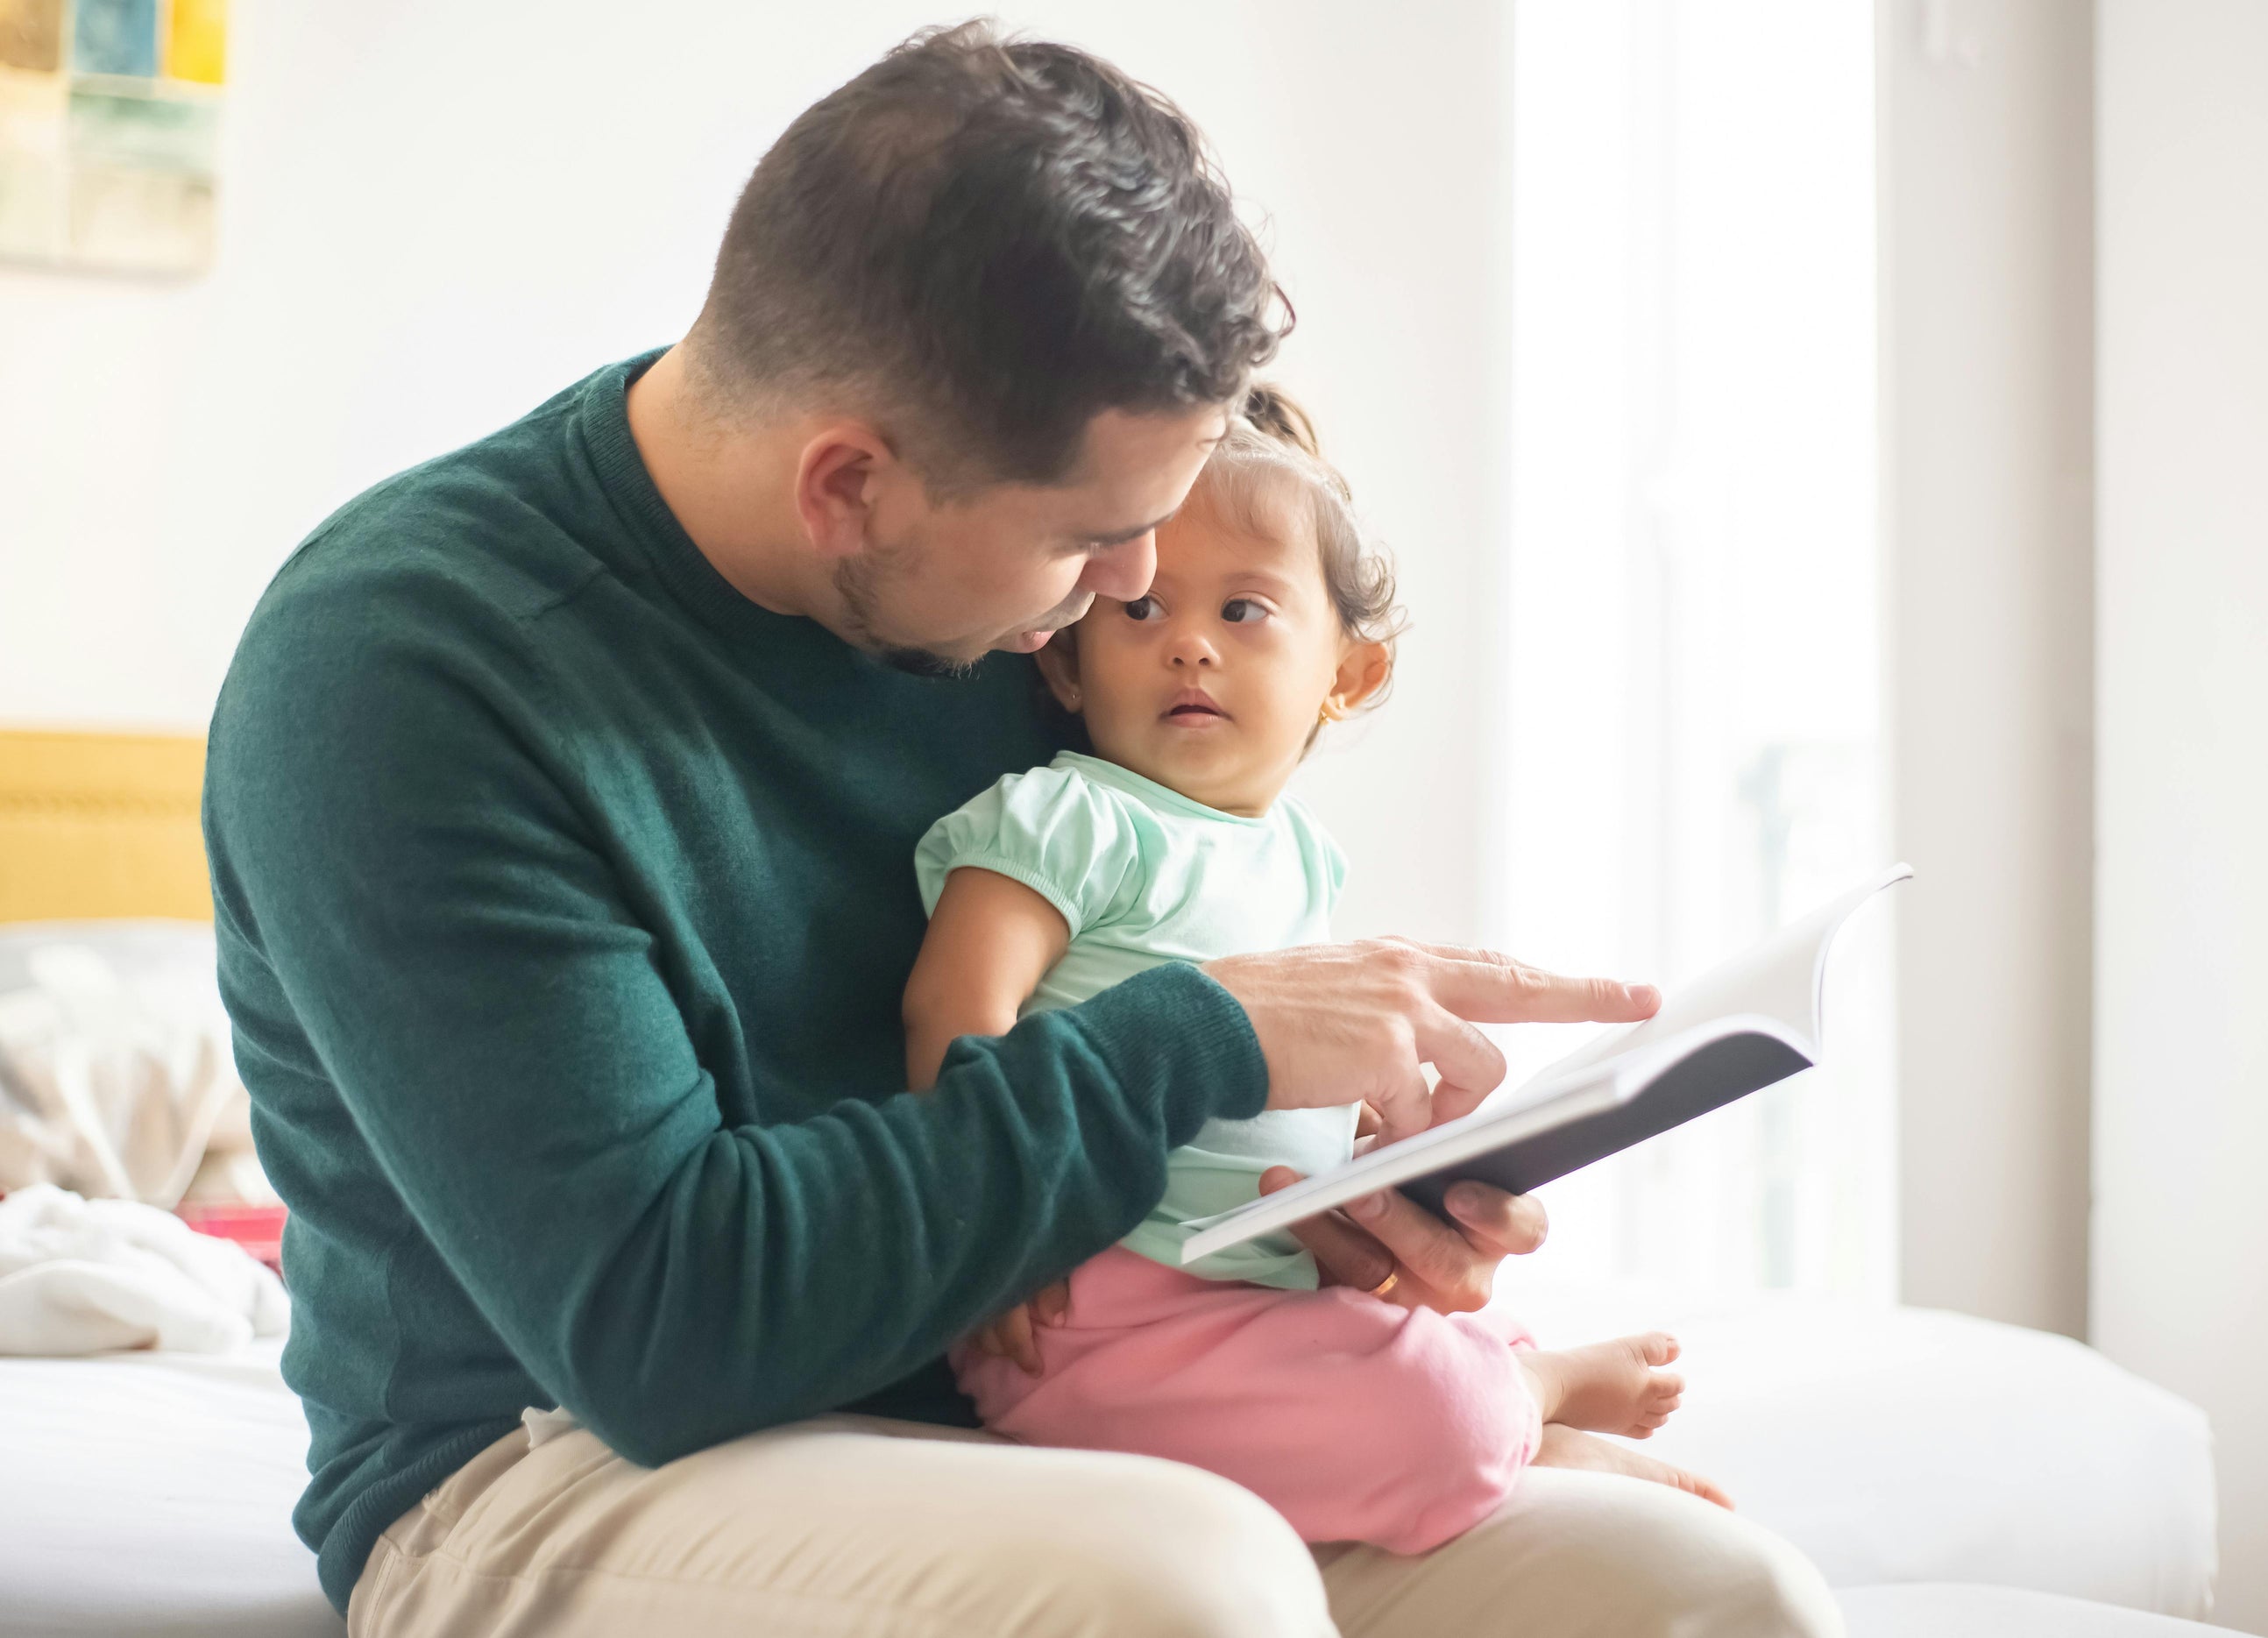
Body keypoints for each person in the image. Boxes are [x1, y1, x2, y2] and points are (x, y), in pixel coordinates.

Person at [204, 22, 1842, 1637]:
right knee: (1183, 1590)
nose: (1133, 595)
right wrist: (1190, 1052)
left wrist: (1322, 1197)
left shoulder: (1011, 610)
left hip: (1064, 1401)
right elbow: (666, 1329)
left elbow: (1118, 1061)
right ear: (848, 487)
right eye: (1092, 540)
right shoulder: (405, 672)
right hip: (555, 1458)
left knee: (1714, 1595)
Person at [912, 386, 1735, 1554]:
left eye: (1244, 609)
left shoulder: (1299, 862)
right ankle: (1524, 1407)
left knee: (1386, 1343)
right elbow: (955, 1005)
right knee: (1431, 1411)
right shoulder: (1069, 819)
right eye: (1141, 607)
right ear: (1067, 669)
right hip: (1090, 1308)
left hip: (1260, 1282)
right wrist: (991, 1225)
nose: (1188, 640)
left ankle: (1509, 1395)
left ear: (1346, 674)